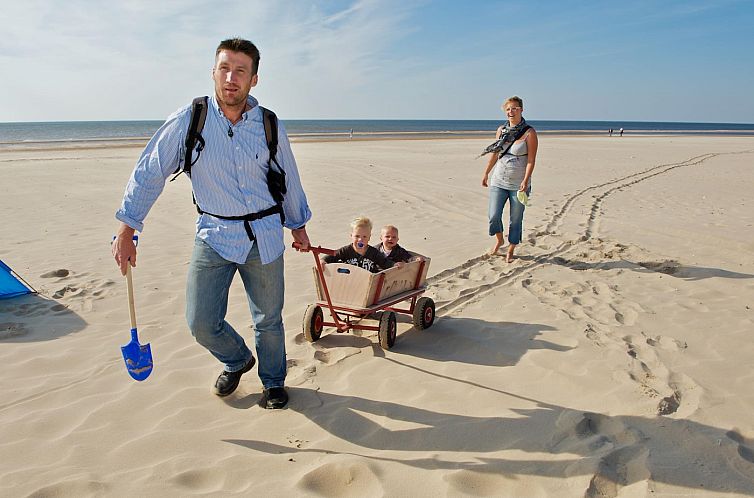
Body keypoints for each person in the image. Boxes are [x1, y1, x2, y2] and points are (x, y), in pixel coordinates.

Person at [112, 38, 312, 410]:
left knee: (268, 319)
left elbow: (289, 177)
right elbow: (150, 171)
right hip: (214, 235)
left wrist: (297, 224)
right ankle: (237, 359)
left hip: (264, 236)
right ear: (213, 72)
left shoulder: (269, 124)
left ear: (254, 79)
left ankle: (273, 382)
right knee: (201, 321)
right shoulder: (191, 120)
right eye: (224, 68)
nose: (231, 78)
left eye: (240, 71)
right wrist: (127, 227)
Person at [481, 96, 538, 262]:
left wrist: (526, 180)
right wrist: (486, 173)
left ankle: (511, 248)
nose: (511, 112)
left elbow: (531, 160)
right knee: (493, 215)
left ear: (521, 110)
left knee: (516, 218)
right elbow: (495, 154)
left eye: (514, 108)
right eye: (508, 109)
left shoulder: (529, 132)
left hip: (519, 184)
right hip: (499, 180)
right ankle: (499, 240)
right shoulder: (501, 130)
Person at [323, 217, 396, 273]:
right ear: (351, 236)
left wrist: (394, 265)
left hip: (368, 282)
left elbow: (384, 262)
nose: (360, 240)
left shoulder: (374, 252)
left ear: (369, 238)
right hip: (351, 280)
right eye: (357, 236)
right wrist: (323, 260)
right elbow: (332, 256)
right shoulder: (346, 250)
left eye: (364, 237)